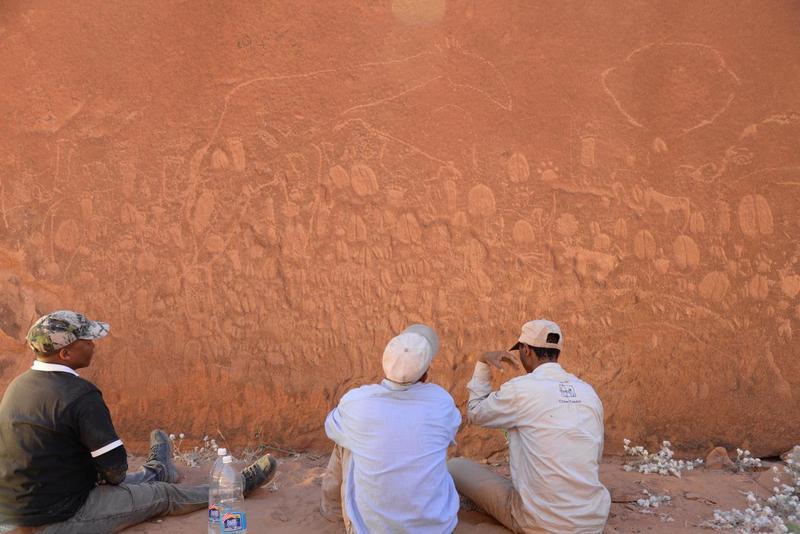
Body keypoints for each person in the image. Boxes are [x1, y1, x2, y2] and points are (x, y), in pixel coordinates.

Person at [0, 310, 278, 533]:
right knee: (162, 495)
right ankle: (234, 486)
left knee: (134, 482)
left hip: (21, 511)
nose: (93, 345)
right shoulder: (80, 396)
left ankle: (157, 468)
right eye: (86, 341)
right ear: (66, 354)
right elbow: (116, 472)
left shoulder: (17, 387)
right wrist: (103, 478)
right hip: (62, 518)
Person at [448, 319, 610, 533]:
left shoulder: (521, 389)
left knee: (455, 466)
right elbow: (594, 456)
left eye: (521, 351)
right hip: (593, 521)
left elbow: (476, 412)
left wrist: (482, 363)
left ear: (526, 349)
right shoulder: (588, 392)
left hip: (540, 523)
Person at [321, 324, 461, 534]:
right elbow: (449, 434)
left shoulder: (357, 401)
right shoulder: (441, 401)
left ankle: (330, 509)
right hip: (438, 528)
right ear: (424, 374)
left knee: (346, 439)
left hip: (372, 530)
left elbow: (330, 425)